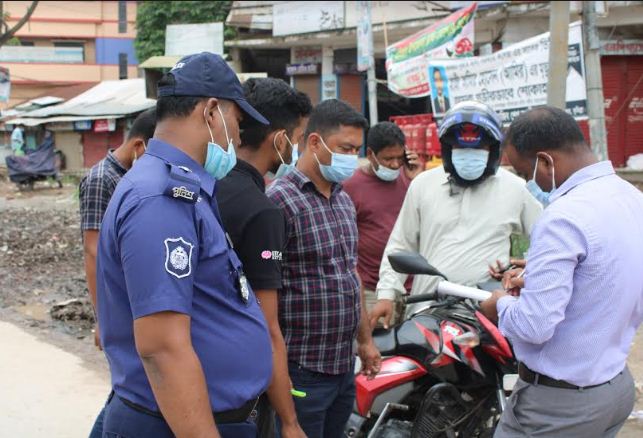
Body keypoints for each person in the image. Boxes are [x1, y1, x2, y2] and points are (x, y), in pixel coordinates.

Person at [96, 52, 273, 438]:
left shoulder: (185, 189)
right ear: (211, 112)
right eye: (238, 122)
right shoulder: (160, 198)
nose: (239, 138)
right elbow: (162, 348)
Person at [480, 106, 643, 438]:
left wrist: (499, 305)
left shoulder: (563, 216)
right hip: (614, 388)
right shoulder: (630, 197)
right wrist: (544, 274)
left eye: (526, 173)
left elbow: (535, 325)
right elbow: (612, 275)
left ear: (545, 161)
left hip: (557, 407)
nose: (529, 183)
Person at [370, 101, 542, 328]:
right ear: (448, 151)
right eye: (461, 150)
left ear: (493, 151)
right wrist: (387, 293)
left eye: (478, 150)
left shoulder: (516, 188)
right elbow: (401, 244)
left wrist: (523, 268)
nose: (469, 156)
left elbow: (548, 242)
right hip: (428, 309)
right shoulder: (423, 185)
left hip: (489, 314)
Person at [266, 99, 381, 438]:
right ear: (314, 142)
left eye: (356, 149)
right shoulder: (280, 202)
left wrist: (365, 341)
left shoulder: (343, 201)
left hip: (342, 367)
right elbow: (265, 290)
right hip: (301, 371)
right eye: (345, 148)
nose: (351, 157)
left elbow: (351, 274)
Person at [216, 77, 312, 438]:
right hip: (236, 393)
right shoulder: (263, 213)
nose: (297, 149)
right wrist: (289, 421)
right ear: (279, 139)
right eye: (298, 138)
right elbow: (267, 326)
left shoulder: (204, 185)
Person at [79, 107, 156, 438]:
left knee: (130, 386)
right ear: (140, 146)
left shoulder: (128, 178)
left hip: (129, 302)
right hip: (115, 309)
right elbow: (93, 251)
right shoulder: (103, 180)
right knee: (130, 388)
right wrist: (103, 319)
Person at [343, 121, 423, 323]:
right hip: (373, 291)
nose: (395, 165)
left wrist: (418, 182)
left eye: (399, 157)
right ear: (370, 154)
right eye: (388, 159)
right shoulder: (351, 186)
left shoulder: (413, 179)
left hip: (414, 289)